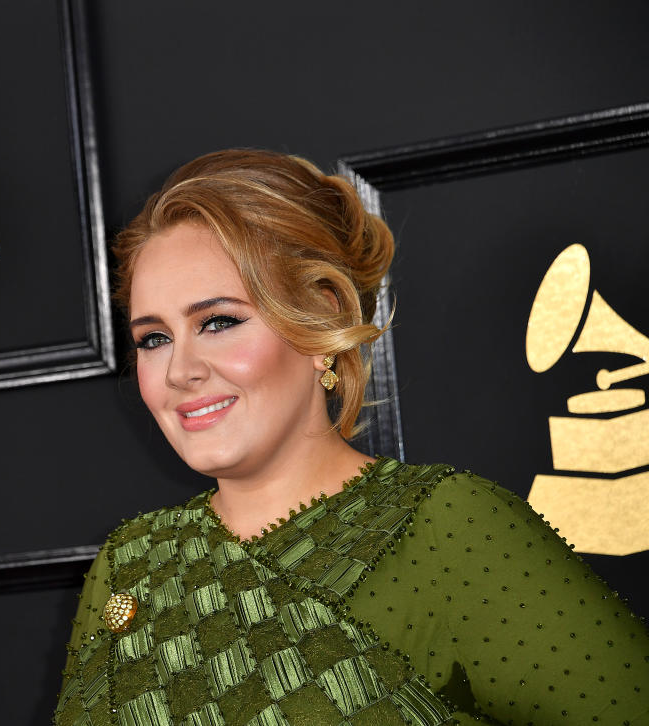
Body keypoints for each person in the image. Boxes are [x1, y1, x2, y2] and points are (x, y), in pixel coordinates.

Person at [53, 149, 649, 725]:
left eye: (218, 322)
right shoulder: (131, 566)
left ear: (324, 319)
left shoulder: (449, 524)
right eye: (153, 338)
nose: (180, 370)